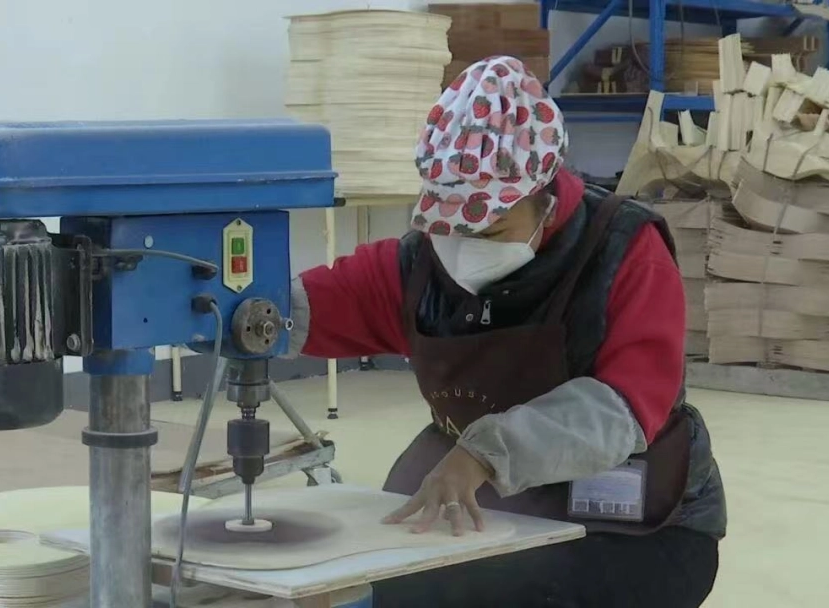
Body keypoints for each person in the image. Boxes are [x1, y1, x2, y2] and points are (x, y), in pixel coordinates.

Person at [287, 56, 726, 607]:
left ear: (547, 199)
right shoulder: (420, 265)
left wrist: (483, 455)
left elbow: (623, 408)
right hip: (495, 508)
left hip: (637, 526)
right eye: (449, 229)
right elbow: (309, 306)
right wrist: (238, 311)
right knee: (395, 588)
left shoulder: (625, 250)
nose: (463, 248)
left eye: (490, 230)